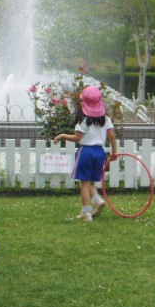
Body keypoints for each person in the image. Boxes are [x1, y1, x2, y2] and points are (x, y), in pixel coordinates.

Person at [53, 86, 118, 222]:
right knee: (91, 182)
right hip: (99, 153)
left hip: (86, 152)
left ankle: (86, 212)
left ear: (84, 103)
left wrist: (62, 135)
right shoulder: (106, 119)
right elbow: (112, 137)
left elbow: (77, 138)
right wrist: (114, 152)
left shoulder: (83, 120)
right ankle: (98, 200)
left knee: (84, 184)